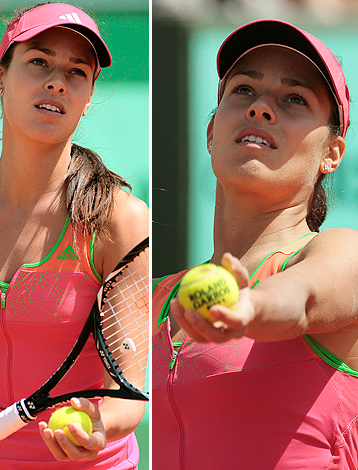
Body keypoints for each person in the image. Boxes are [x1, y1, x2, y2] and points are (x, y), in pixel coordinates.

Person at [0, 2, 149, 469]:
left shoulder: (119, 220)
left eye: (77, 71)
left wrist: (99, 424)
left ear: (88, 96)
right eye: (38, 62)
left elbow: (129, 393)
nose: (56, 80)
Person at [152, 19, 358, 469]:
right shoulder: (153, 301)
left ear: (332, 153)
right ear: (210, 134)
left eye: (294, 99)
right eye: (243, 90)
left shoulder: (344, 252)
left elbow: (300, 299)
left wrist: (247, 310)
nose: (262, 108)